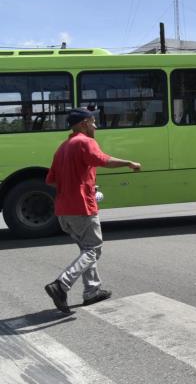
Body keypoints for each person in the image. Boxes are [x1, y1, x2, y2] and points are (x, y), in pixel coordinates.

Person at [43, 108, 141, 313]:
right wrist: (129, 163)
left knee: (86, 249)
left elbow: (51, 181)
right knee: (93, 250)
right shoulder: (85, 142)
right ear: (83, 124)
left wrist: (78, 184)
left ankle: (92, 291)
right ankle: (61, 284)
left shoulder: (62, 147)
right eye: (93, 122)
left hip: (63, 209)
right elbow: (104, 160)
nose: (96, 126)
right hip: (81, 207)